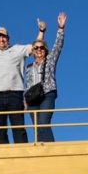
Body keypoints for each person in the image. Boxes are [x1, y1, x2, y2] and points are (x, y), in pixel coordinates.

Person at [25, 13, 66, 143]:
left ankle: (50, 150)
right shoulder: (28, 67)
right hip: (32, 98)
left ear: (45, 49)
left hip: (47, 93)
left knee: (43, 122)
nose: (39, 50)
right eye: (36, 48)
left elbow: (58, 46)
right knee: (37, 127)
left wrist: (61, 29)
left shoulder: (50, 60)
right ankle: (40, 150)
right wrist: (25, 101)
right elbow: (27, 84)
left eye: (41, 47)